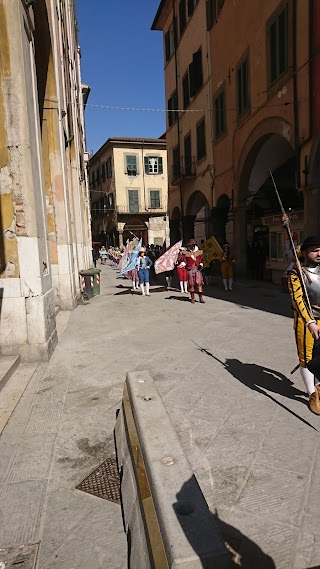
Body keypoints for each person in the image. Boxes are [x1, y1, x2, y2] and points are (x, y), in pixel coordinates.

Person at [288, 236, 320, 414]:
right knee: (307, 358)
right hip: (307, 320)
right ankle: (312, 394)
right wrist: (309, 322)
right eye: (315, 250)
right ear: (305, 252)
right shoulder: (296, 273)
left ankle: (319, 387)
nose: (319, 253)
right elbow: (298, 300)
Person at [184, 239, 205, 304]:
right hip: (190, 269)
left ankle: (200, 297)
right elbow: (184, 260)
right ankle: (192, 298)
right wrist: (184, 263)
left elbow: (202, 260)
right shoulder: (186, 253)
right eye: (189, 245)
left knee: (199, 283)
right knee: (191, 284)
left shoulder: (199, 252)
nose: (190, 247)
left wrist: (201, 264)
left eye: (191, 245)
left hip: (197, 269)